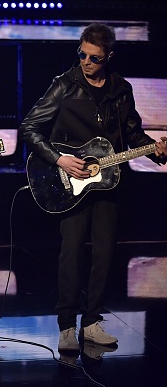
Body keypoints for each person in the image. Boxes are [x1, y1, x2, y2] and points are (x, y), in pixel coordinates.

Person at [19, 23, 167, 352]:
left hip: (110, 182)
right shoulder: (64, 85)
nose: (86, 62)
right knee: (71, 251)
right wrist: (59, 159)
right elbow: (29, 126)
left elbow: (134, 135)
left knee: (104, 253)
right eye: (82, 54)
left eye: (94, 57)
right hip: (70, 182)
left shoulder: (120, 89)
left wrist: (155, 150)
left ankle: (92, 322)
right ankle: (66, 326)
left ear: (108, 57)